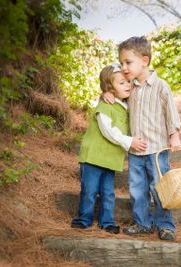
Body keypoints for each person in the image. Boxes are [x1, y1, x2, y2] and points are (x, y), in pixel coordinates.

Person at [103, 36, 181, 241]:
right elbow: (115, 93)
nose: (124, 67)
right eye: (121, 63)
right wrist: (106, 94)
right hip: (136, 150)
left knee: (160, 189)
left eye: (128, 62)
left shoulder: (160, 86)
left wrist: (174, 135)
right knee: (137, 190)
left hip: (157, 150)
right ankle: (143, 223)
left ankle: (165, 225)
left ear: (144, 61)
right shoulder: (129, 88)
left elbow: (170, 112)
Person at [71, 63, 147, 234]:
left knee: (108, 193)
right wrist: (129, 142)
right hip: (93, 156)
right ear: (110, 89)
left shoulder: (127, 107)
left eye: (128, 82)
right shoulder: (105, 105)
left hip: (110, 159)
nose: (128, 85)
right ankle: (84, 219)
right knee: (89, 191)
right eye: (122, 83)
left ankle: (107, 221)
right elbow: (108, 131)